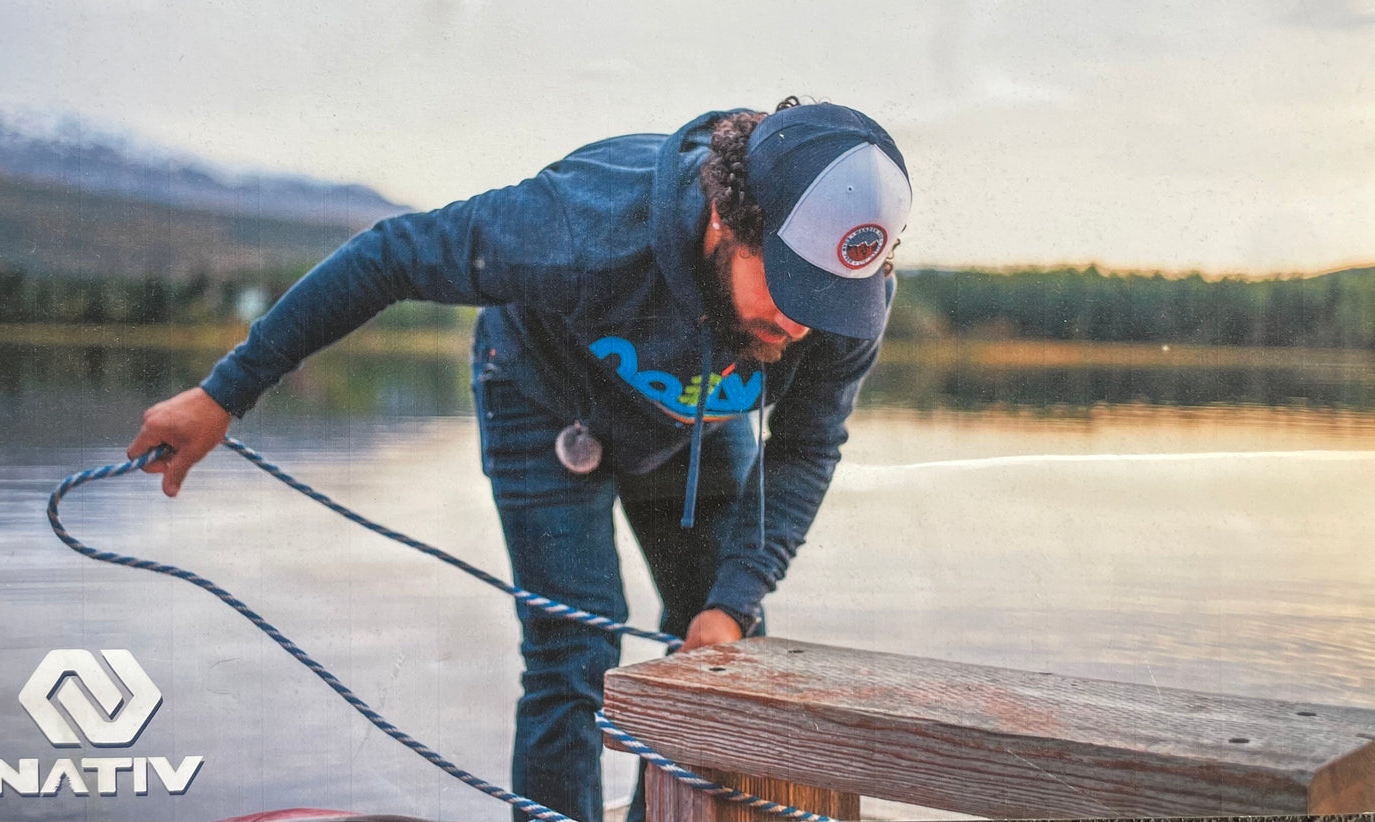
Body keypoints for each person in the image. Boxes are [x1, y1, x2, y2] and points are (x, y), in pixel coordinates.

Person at [128, 97, 912, 822]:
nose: (802, 325)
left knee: (721, 646)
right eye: (786, 288)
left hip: (694, 427)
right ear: (722, 220)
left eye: (825, 300)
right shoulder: (581, 225)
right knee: (574, 655)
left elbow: (807, 448)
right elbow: (391, 254)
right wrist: (223, 394)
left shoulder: (844, 305)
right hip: (541, 403)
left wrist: (734, 602)